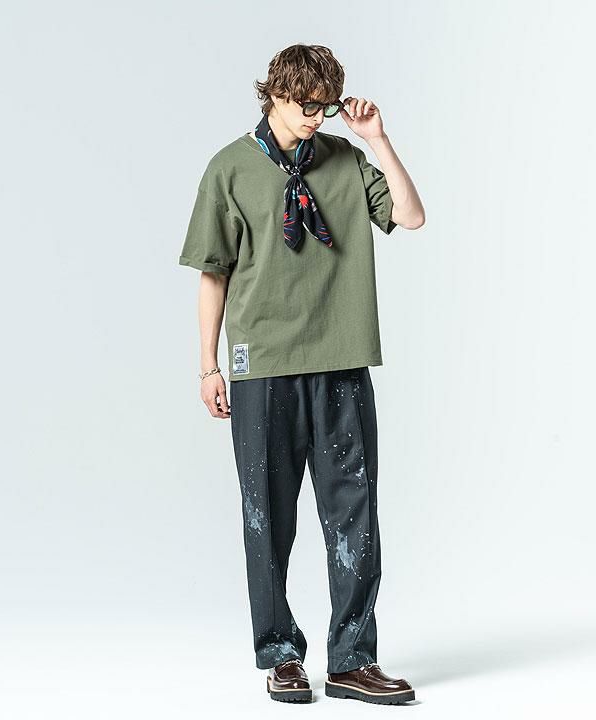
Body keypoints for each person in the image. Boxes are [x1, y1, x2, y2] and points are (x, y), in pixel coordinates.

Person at [179, 43, 425, 705]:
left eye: (325, 106)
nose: (316, 116)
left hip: (341, 362)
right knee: (267, 517)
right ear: (275, 95)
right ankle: (280, 655)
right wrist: (208, 366)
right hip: (262, 367)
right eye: (305, 104)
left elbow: (410, 215)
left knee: (355, 514)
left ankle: (352, 659)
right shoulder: (230, 168)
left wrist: (377, 139)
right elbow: (213, 273)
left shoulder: (345, 160)